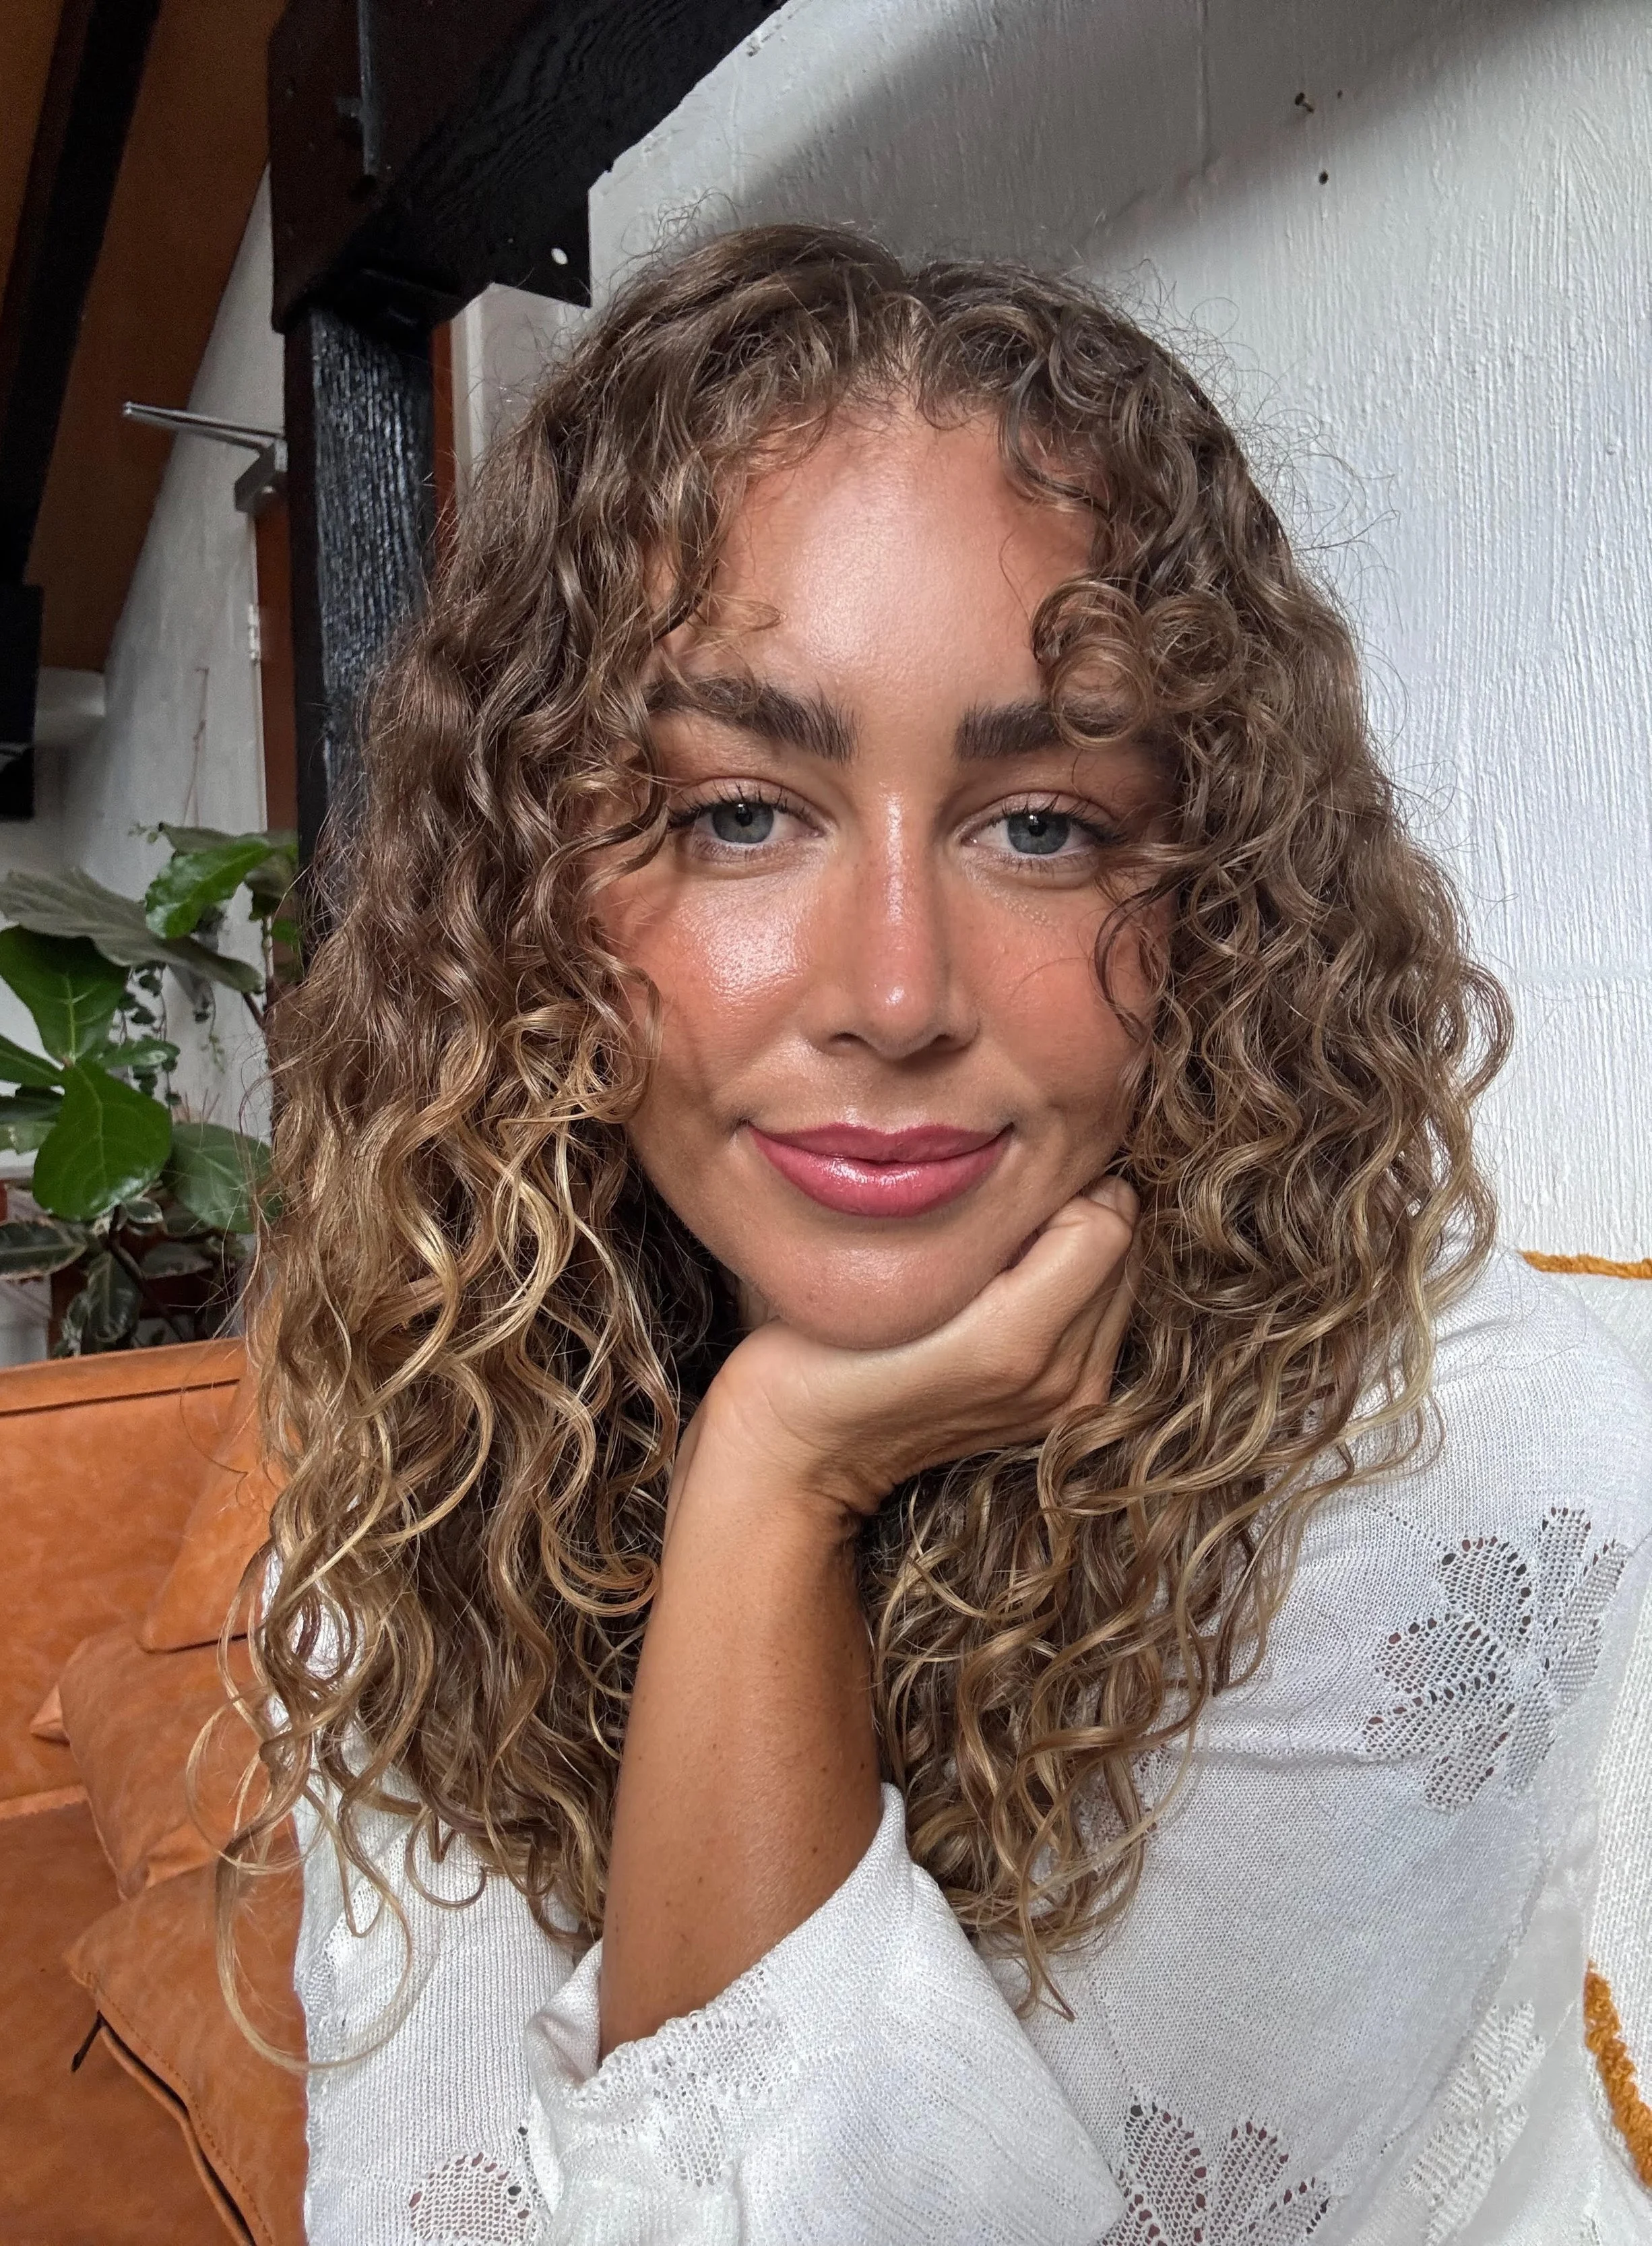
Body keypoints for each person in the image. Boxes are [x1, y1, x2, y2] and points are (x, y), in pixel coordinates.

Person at [238, 226, 1652, 2244]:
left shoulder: (1456, 1464)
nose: (894, 990)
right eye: (739, 812)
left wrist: (768, 1484)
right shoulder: (448, 1413)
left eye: (1042, 826)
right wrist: (781, 1473)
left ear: (1219, 897)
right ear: (533, 888)